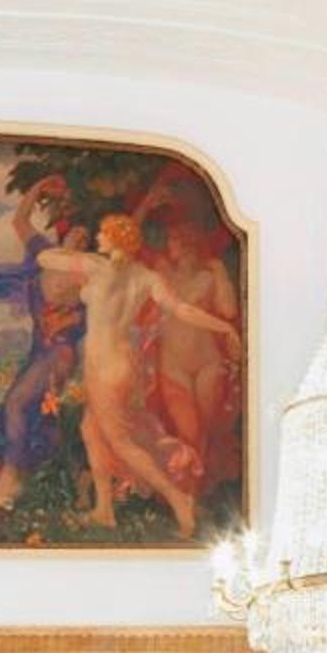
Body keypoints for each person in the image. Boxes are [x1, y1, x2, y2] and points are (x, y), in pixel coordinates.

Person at [40, 212, 242, 535]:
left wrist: (73, 250)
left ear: (115, 239)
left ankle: (178, 499)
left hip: (103, 366)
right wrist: (225, 328)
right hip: (124, 364)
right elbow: (182, 309)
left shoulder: (95, 266)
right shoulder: (146, 277)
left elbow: (44, 257)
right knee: (91, 429)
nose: (98, 238)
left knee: (121, 442)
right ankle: (104, 510)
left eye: (103, 233)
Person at [0, 175, 88, 514]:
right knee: (39, 415)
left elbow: (89, 318)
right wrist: (38, 187)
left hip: (61, 351)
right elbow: (20, 221)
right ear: (63, 233)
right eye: (75, 231)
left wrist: (74, 318)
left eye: (86, 237)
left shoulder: (89, 274)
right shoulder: (45, 256)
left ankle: (10, 479)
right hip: (38, 349)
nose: (80, 237)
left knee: (18, 403)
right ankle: (74, 480)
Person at [149, 208, 242, 493]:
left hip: (206, 362)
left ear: (190, 242)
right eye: (170, 239)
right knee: (188, 429)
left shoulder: (207, 277)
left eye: (176, 239)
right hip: (173, 364)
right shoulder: (162, 275)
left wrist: (221, 273)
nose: (171, 245)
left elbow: (229, 310)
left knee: (206, 427)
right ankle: (187, 491)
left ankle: (195, 491)